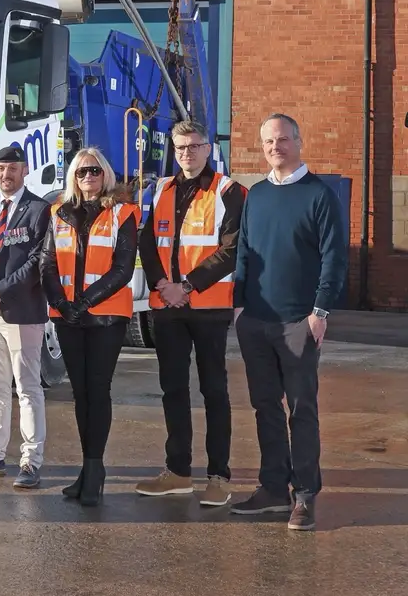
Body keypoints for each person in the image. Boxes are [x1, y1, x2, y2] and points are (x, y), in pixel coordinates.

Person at [230, 113, 346, 532]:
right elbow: (244, 252)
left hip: (299, 321)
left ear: (298, 141)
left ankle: (305, 495)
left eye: (282, 140)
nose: (274, 147)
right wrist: (240, 306)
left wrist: (320, 312)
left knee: (302, 409)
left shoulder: (319, 195)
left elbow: (334, 258)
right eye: (267, 142)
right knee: (265, 409)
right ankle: (273, 490)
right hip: (255, 321)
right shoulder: (256, 196)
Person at [135, 120, 247, 506]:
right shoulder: (161, 189)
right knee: (173, 390)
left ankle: (219, 476)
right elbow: (147, 241)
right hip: (168, 308)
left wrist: (186, 285)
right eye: (180, 147)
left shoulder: (228, 191)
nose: (186, 153)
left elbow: (231, 249)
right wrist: (162, 284)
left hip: (209, 307)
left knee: (214, 390)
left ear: (208, 147)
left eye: (194, 146)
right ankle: (178, 471)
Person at [39, 146, 139, 507]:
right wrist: (62, 304)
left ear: (106, 174)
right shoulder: (58, 212)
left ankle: (95, 471)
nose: (88, 178)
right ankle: (87, 467)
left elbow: (123, 268)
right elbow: (47, 263)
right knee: (79, 393)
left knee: (98, 390)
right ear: (73, 177)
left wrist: (84, 302)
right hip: (68, 317)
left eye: (95, 171)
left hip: (106, 317)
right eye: (81, 172)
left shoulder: (123, 212)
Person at [0, 146, 52, 489]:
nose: (7, 175)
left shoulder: (40, 210)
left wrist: (0, 291)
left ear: (25, 170)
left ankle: (31, 461)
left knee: (28, 388)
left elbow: (37, 262)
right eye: (1, 168)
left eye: (13, 168)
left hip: (23, 311)